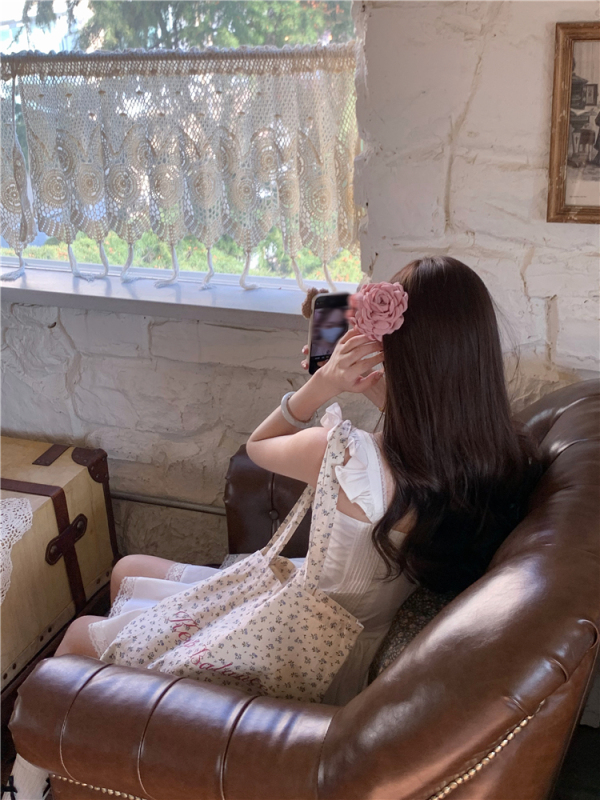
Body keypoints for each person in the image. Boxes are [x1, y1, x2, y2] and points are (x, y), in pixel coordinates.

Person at [3, 256, 546, 799]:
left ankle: (25, 785)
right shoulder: (490, 456)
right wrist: (377, 389)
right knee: (129, 570)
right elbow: (416, 430)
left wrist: (322, 385)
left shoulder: (346, 454)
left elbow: (259, 448)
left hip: (289, 648)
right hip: (348, 638)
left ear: (392, 352)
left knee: (80, 633)